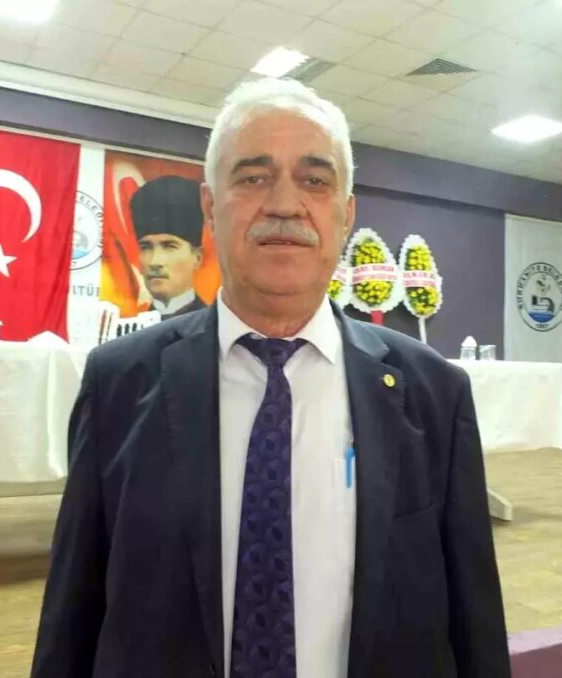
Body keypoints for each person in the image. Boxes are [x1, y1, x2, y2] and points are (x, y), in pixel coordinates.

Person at [32, 78, 511, 678]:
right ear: (210, 208)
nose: (285, 204)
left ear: (345, 214)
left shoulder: (433, 394)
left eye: (315, 180)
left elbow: (474, 618)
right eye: (254, 177)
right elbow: (73, 612)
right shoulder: (118, 384)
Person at [131, 175, 207, 317]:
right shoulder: (130, 328)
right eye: (146, 247)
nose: (154, 262)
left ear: (197, 258)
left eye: (169, 246)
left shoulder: (215, 326)